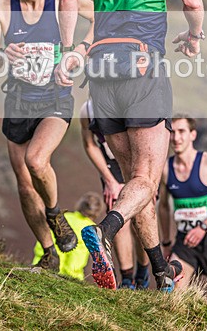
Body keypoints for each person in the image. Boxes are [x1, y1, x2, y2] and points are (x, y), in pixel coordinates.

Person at [56, 0, 205, 291]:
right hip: (144, 72)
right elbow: (192, 2)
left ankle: (159, 271)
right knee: (145, 180)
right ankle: (104, 231)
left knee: (134, 184)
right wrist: (194, 36)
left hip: (101, 76)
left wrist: (69, 49)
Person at [0, 0, 94, 271]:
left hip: (55, 98)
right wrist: (4, 55)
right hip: (18, 101)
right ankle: (48, 253)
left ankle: (55, 213)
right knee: (24, 182)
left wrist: (79, 51)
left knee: (36, 160)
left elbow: (102, 21)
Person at [159, 115, 207, 299]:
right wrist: (167, 243)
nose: (176, 138)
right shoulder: (165, 169)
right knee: (173, 295)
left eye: (181, 132)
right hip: (184, 242)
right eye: (172, 132)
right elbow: (163, 207)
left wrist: (203, 227)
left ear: (193, 135)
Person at [80, 99, 151, 289]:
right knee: (116, 211)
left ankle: (143, 271)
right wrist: (109, 180)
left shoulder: (127, 100)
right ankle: (127, 278)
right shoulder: (87, 110)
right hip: (112, 166)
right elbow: (90, 145)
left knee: (140, 217)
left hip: (138, 160)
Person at [32, 192, 102, 280]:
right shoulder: (92, 230)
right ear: (97, 211)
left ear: (80, 205)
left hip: (43, 267)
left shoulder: (62, 218)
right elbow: (77, 258)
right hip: (71, 277)